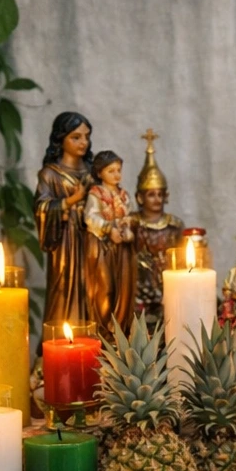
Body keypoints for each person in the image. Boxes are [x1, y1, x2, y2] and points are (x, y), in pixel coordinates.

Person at [35, 111, 94, 336]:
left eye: (86, 136)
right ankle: (60, 341)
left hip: (91, 241)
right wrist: (72, 200)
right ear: (61, 139)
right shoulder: (51, 174)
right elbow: (41, 207)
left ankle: (94, 340)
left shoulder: (92, 171)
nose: (83, 142)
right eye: (76, 137)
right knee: (64, 290)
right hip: (65, 246)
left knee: (93, 289)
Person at [132, 129, 184, 328]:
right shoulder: (133, 223)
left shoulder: (174, 225)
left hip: (167, 287)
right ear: (140, 197)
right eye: (151, 194)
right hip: (140, 289)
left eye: (160, 194)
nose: (156, 199)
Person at [83, 150, 137, 337]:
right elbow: (90, 217)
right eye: (111, 171)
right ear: (100, 173)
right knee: (105, 287)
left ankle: (119, 328)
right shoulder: (96, 194)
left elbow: (130, 216)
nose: (116, 175)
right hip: (101, 246)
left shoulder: (124, 195)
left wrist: (127, 228)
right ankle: (103, 329)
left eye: (118, 170)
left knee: (123, 287)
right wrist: (108, 229)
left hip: (122, 249)